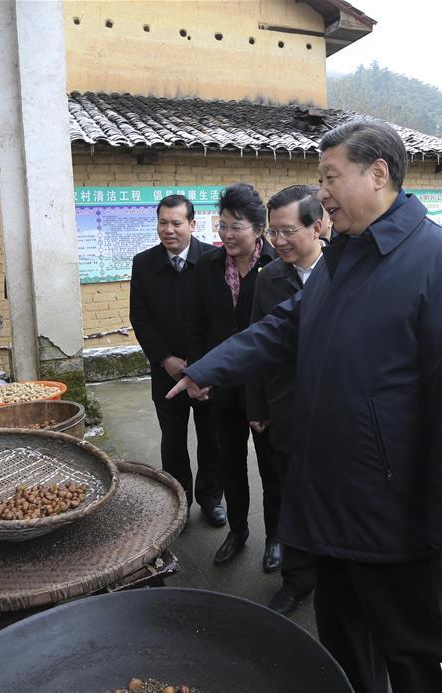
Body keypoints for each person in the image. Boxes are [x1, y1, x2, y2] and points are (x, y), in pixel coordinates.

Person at [169, 119, 442, 693]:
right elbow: (284, 328)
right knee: (345, 652)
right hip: (329, 500)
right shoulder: (345, 255)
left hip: (396, 516)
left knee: (417, 658)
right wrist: (209, 368)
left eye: (330, 177)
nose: (320, 191)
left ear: (378, 175)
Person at [187, 183, 279, 568]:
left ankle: (277, 537)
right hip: (222, 386)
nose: (226, 234)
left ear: (258, 229)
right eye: (221, 225)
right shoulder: (207, 266)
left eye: (236, 226)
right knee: (229, 463)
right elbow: (196, 325)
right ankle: (237, 530)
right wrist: (201, 372)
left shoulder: (276, 267)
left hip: (263, 387)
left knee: (272, 467)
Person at [129, 194, 225, 527]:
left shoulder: (214, 259)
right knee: (172, 441)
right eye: (163, 223)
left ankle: (211, 499)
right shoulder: (143, 264)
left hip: (206, 372)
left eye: (176, 223)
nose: (168, 230)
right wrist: (165, 358)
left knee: (211, 439)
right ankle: (178, 501)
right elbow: (140, 319)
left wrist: (201, 365)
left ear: (192, 224)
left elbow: (219, 319)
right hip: (165, 371)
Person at [246, 185, 320, 615]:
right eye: (273, 233)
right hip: (286, 410)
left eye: (288, 231)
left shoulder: (345, 271)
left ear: (318, 226)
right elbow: (256, 343)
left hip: (336, 415)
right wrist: (257, 408)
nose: (279, 241)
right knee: (290, 497)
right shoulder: (269, 277)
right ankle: (296, 580)